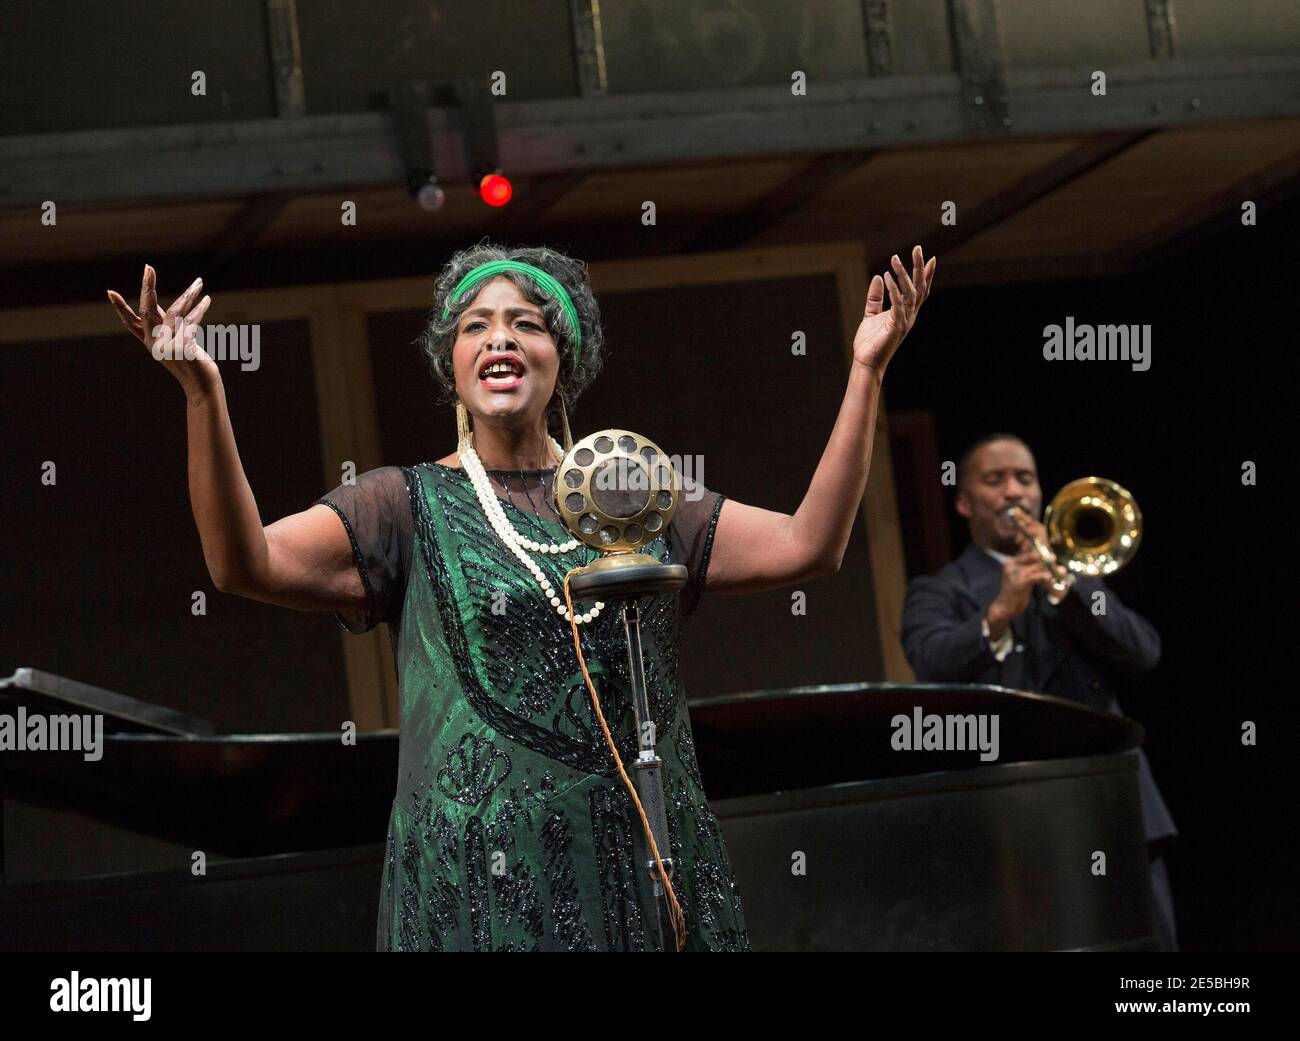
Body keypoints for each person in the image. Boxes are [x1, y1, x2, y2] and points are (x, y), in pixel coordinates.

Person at [106, 240, 935, 951]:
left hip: (645, 862)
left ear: (562, 357)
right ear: (452, 365)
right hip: (481, 887)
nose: (499, 337)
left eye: (526, 323)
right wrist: (204, 396)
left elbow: (810, 544)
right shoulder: (401, 504)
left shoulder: (633, 494)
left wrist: (866, 370)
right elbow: (240, 562)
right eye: (476, 326)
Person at [900, 433, 1178, 950]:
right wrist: (996, 616)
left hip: (1117, 809)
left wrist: (1069, 590)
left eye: (1025, 479)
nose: (1013, 492)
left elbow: (1145, 653)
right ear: (963, 502)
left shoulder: (1076, 574)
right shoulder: (939, 590)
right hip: (1016, 822)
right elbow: (931, 662)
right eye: (994, 479)